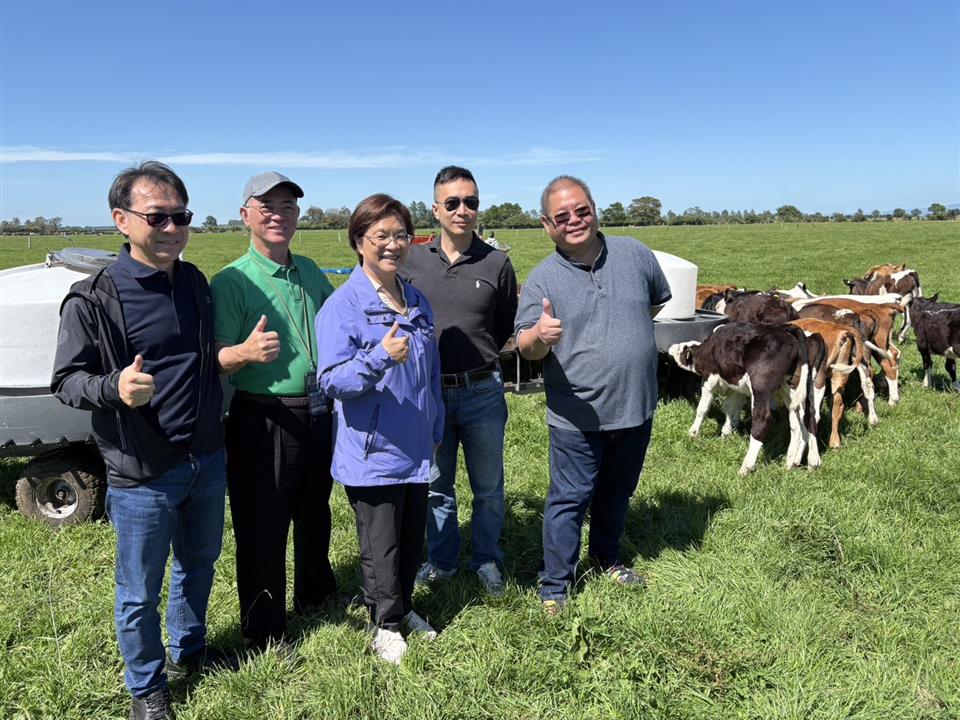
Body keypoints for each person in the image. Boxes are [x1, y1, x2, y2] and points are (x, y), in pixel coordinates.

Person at [51, 161, 228, 720]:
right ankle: (147, 688)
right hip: (142, 470)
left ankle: (189, 650)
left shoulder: (194, 282)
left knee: (198, 565)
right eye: (158, 217)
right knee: (139, 590)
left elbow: (196, 359)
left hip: (205, 456)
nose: (173, 228)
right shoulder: (93, 298)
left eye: (182, 216)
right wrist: (114, 387)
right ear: (121, 219)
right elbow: (66, 381)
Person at [515, 175, 672, 615]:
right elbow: (526, 347)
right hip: (576, 416)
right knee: (569, 500)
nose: (574, 221)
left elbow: (654, 303)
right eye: (562, 216)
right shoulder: (543, 280)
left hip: (635, 406)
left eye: (581, 210)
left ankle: (606, 559)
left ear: (595, 209)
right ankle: (555, 586)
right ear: (546, 225)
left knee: (617, 493)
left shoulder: (635, 254)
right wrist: (541, 336)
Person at [210, 172, 337, 655]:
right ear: (246, 215)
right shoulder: (232, 280)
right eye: (267, 207)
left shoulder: (309, 270)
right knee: (263, 525)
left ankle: (316, 595)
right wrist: (244, 353)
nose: (278, 215)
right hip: (263, 416)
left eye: (288, 207)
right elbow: (215, 356)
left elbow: (338, 322)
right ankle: (264, 627)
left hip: (318, 410)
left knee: (315, 508)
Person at [315, 193, 443, 664]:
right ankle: (384, 624)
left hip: (416, 443)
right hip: (373, 448)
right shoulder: (342, 306)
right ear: (359, 241)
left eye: (401, 235)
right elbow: (332, 380)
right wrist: (378, 358)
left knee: (411, 538)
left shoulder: (416, 300)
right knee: (380, 544)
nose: (393, 244)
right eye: (381, 235)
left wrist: (436, 424)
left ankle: (403, 607)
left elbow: (430, 373)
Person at [402, 166, 517, 596]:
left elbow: (503, 326)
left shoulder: (497, 263)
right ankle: (442, 561)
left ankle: (487, 559)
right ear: (435, 210)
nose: (462, 210)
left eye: (471, 202)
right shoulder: (412, 261)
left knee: (488, 488)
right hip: (429, 393)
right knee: (435, 486)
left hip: (482, 390)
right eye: (452, 202)